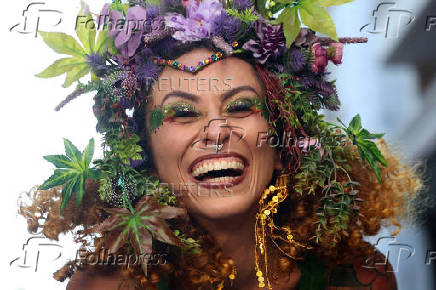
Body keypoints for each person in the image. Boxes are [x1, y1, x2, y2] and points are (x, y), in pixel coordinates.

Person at [19, 0, 423, 289]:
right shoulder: (103, 287)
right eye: (182, 113)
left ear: (286, 144)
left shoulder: (360, 278)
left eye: (241, 106)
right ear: (146, 158)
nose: (215, 131)